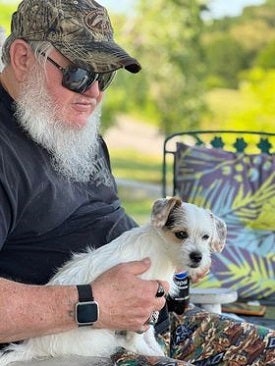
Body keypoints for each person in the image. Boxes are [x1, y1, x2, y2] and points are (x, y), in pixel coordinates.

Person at [0, 0, 274, 365]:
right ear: (22, 58)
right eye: (80, 73)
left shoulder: (69, 134)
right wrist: (92, 303)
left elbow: (110, 226)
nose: (94, 93)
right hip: (58, 347)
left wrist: (175, 260)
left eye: (105, 76)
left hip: (144, 328)